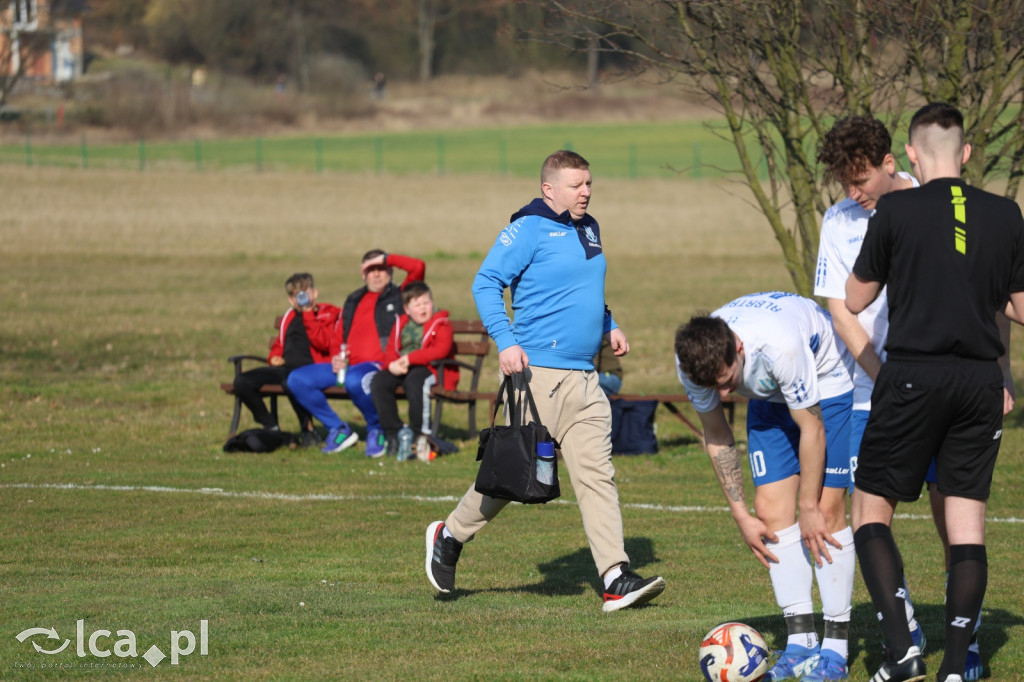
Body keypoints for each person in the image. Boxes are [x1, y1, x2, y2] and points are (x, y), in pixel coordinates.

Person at [424, 150, 666, 612]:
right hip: (534, 374)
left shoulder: (589, 228)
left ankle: (615, 576)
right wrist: (505, 340)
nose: (586, 192)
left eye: (589, 183)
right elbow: (485, 282)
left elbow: (584, 288)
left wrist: (607, 323)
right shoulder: (529, 228)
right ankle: (450, 535)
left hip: (585, 377)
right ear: (548, 189)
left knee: (597, 475)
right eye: (577, 185)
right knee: (514, 477)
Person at [814, 114, 1009, 681]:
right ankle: (927, 645)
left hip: (917, 378)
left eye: (862, 180)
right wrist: (879, 369)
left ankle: (933, 651)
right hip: (900, 383)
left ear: (898, 160)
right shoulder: (841, 219)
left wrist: (1004, 374)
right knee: (920, 516)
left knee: (920, 513)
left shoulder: (915, 210)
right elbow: (839, 308)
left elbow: (856, 298)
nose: (855, 193)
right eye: (846, 184)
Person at [674, 292, 855, 682]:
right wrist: (740, 515)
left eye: (727, 383)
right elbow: (717, 433)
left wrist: (808, 505)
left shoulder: (780, 346)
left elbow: (812, 427)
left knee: (826, 512)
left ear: (738, 349)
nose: (723, 395)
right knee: (770, 512)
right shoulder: (692, 362)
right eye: (714, 387)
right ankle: (801, 643)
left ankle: (836, 650)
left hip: (828, 379)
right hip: (769, 391)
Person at [287, 250, 425, 456]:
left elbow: (418, 266)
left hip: (376, 366)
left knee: (354, 381)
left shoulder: (399, 296)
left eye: (381, 269)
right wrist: (335, 357)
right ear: (363, 274)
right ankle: (338, 428)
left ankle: (376, 429)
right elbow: (339, 334)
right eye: (371, 270)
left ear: (390, 271)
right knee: (297, 380)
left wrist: (385, 258)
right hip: (346, 366)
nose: (377, 274)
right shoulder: (353, 299)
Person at [232, 272, 338, 445]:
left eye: (305, 292)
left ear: (315, 293)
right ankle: (270, 426)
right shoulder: (288, 316)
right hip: (285, 368)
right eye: (296, 295)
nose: (301, 298)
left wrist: (308, 313)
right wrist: (273, 357)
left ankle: (308, 429)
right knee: (242, 381)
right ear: (290, 300)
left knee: (291, 383)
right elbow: (279, 345)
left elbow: (324, 343)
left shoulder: (326, 313)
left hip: (312, 369)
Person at [370, 281, 458, 462]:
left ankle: (421, 436)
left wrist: (410, 359)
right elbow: (390, 350)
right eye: (417, 305)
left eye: (426, 303)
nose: (423, 308)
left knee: (415, 382)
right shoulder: (401, 323)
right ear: (407, 309)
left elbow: (440, 350)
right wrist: (391, 365)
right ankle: (395, 433)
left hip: (431, 369)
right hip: (402, 367)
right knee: (379, 381)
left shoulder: (441, 323)